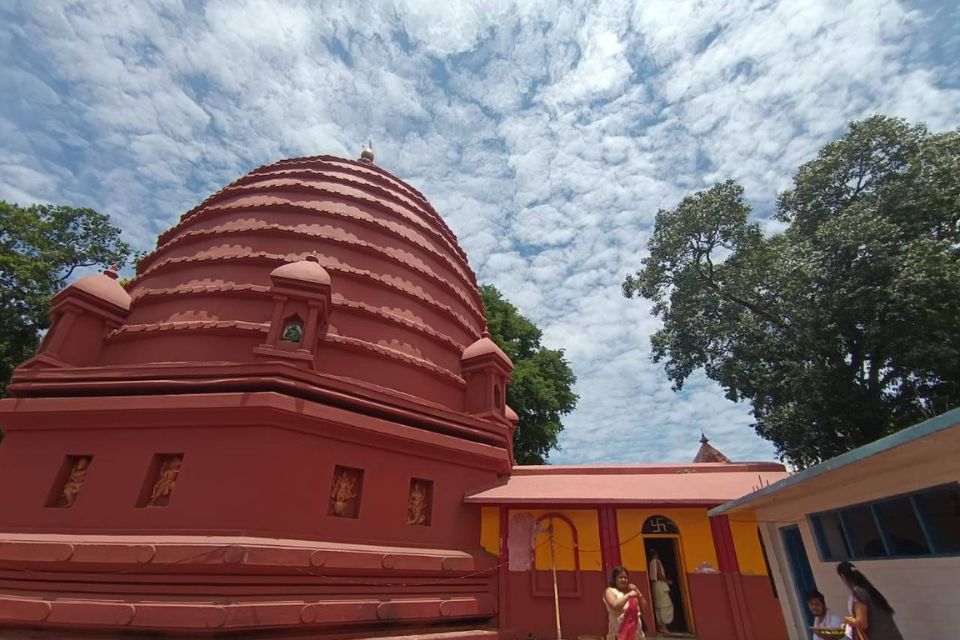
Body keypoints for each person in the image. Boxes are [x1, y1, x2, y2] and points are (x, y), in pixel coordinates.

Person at [836, 561, 903, 640]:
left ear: (843, 576)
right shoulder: (870, 590)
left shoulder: (859, 593)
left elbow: (862, 623)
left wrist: (848, 620)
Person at [604, 566, 646, 640]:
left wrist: (638, 593)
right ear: (614, 579)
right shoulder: (609, 591)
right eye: (620, 577)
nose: (623, 579)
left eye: (625, 577)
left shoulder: (632, 591)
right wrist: (628, 595)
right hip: (619, 635)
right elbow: (615, 606)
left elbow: (644, 609)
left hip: (636, 635)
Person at [648, 549, 674, 633]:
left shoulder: (650, 562)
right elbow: (659, 574)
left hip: (655, 585)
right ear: (656, 554)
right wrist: (667, 581)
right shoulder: (656, 561)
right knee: (665, 605)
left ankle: (660, 626)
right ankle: (663, 626)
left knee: (659, 605)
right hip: (660, 584)